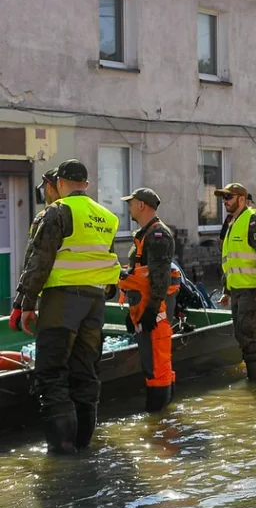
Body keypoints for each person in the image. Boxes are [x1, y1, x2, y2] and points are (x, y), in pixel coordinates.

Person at [16, 160, 120, 454]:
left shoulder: (57, 212)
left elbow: (39, 260)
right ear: (86, 185)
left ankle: (62, 452)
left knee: (51, 373)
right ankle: (83, 445)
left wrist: (24, 303)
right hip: (95, 302)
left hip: (62, 300)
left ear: (60, 183)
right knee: (86, 372)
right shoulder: (107, 217)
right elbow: (107, 258)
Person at [118, 188, 180, 411]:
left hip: (154, 308)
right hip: (143, 305)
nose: (129, 207)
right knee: (154, 361)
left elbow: (160, 276)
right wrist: (133, 310)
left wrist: (152, 310)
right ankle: (165, 416)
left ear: (141, 205)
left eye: (131, 203)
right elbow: (139, 273)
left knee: (156, 364)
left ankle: (158, 420)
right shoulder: (145, 234)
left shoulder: (157, 235)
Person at [215, 182, 256, 382]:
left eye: (228, 197)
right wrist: (227, 290)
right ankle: (253, 380)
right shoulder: (233, 223)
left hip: (252, 289)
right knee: (241, 335)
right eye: (223, 198)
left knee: (250, 336)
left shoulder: (254, 220)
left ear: (241, 199)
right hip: (238, 289)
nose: (224, 202)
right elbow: (231, 261)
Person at [10, 169, 61, 329]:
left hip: (56, 299)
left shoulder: (49, 217)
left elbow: (36, 263)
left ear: (51, 187)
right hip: (92, 302)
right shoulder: (95, 215)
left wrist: (23, 304)